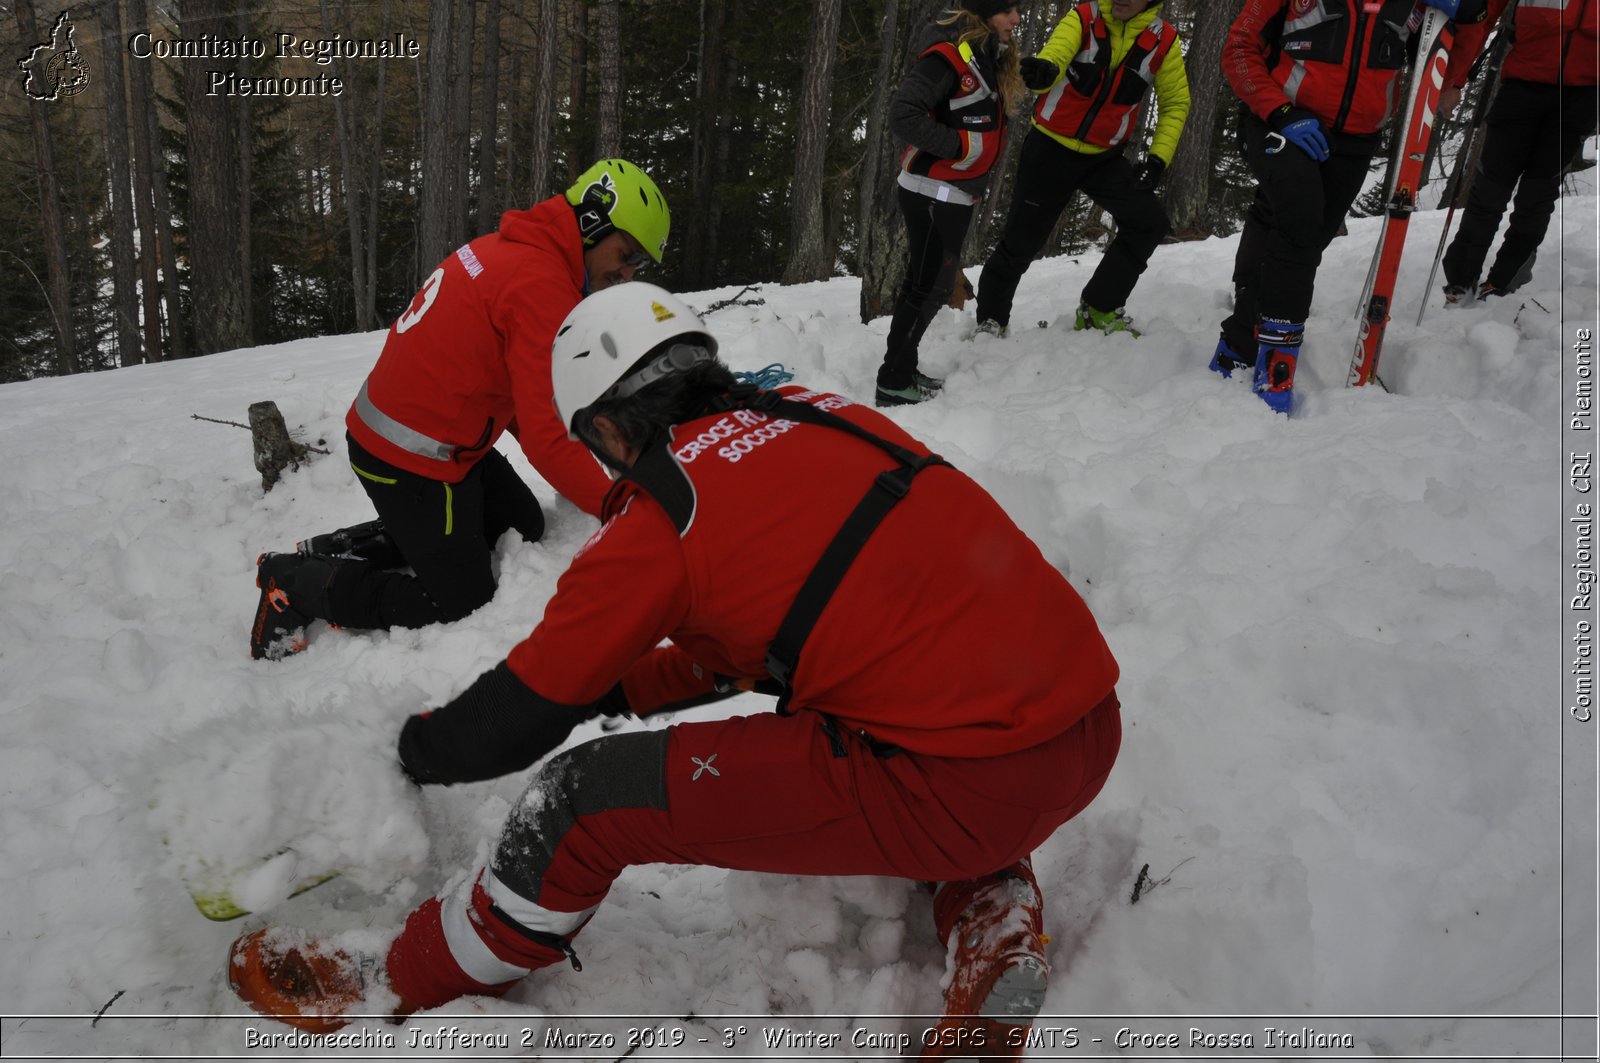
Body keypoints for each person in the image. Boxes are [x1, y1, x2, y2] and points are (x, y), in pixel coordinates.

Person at [227, 282, 1123, 1056]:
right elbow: (753, 648)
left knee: (580, 799)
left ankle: (395, 974)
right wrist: (616, 689)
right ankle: (992, 918)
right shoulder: (815, 411)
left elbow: (520, 712)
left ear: (611, 426)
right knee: (863, 718)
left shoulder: (663, 524)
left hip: (960, 783)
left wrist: (412, 753)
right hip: (1078, 727)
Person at [248, 159, 671, 661]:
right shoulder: (540, 284)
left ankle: (338, 546)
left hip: (435, 440)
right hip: (410, 459)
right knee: (461, 601)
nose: (625, 273)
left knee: (522, 526)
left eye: (638, 266)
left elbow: (525, 398)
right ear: (592, 224)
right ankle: (295, 582)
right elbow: (546, 437)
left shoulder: (513, 249)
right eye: (626, 255)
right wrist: (618, 503)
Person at [1211, 0, 1487, 413]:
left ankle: (1242, 328)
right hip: (1280, 119)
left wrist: (1471, 15)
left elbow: (1443, 68)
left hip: (1355, 140)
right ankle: (1274, 363)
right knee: (1300, 224)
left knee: (1294, 233)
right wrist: (1281, 111)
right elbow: (1238, 48)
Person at [972, 0, 1191, 341]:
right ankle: (990, 320)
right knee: (1021, 242)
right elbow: (1056, 54)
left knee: (1149, 223)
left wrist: (1158, 159)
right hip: (1050, 149)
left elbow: (1177, 103)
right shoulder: (1084, 17)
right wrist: (1044, 70)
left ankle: (1099, 307)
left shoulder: (1164, 41)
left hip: (1104, 158)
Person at [873, 1, 1023, 408]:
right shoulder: (950, 55)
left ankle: (901, 368)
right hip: (934, 189)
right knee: (929, 286)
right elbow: (903, 115)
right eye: (1008, 10)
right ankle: (892, 381)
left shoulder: (983, 54)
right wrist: (959, 148)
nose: (1016, 19)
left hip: (945, 189)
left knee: (923, 284)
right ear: (986, 11)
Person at [1438, 0, 1597, 304]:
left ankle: (1504, 283)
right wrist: (1455, 79)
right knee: (1489, 190)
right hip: (1521, 90)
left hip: (1581, 99)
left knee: (1538, 196)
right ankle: (1460, 281)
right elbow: (1480, 19)